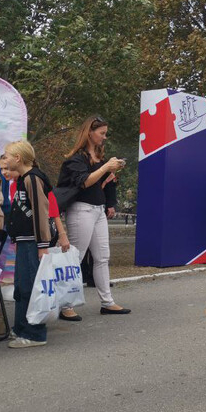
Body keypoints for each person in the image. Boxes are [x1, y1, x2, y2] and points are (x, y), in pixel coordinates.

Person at [57, 116, 128, 316]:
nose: (105, 137)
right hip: (81, 209)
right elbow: (83, 182)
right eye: (102, 133)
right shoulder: (76, 159)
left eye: (106, 133)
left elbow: (98, 183)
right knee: (76, 257)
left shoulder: (98, 157)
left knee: (102, 257)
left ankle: (107, 302)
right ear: (89, 132)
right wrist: (105, 168)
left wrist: (110, 175)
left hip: (97, 210)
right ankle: (65, 305)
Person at [3, 140, 70, 348]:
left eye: (6, 155)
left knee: (31, 286)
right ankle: (22, 327)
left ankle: (35, 333)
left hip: (33, 242)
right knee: (22, 286)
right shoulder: (24, 179)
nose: (3, 159)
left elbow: (41, 211)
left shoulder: (33, 178)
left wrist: (42, 244)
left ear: (17, 158)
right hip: (25, 241)